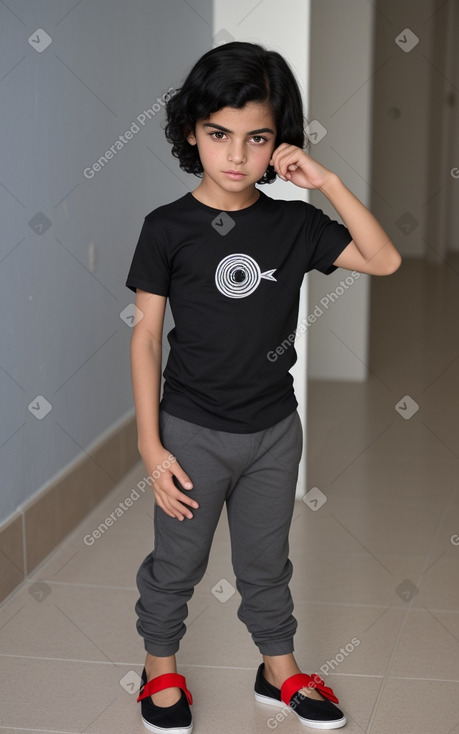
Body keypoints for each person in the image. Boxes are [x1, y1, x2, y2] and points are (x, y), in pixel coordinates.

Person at [125, 41, 401, 733]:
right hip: (189, 431)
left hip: (274, 431)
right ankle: (160, 667)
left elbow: (384, 259)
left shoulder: (295, 224)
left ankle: (277, 670)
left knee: (264, 563)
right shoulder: (167, 229)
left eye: (257, 138)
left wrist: (327, 183)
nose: (237, 156)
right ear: (192, 130)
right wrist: (150, 446)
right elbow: (145, 338)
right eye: (219, 134)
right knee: (176, 564)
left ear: (279, 144)